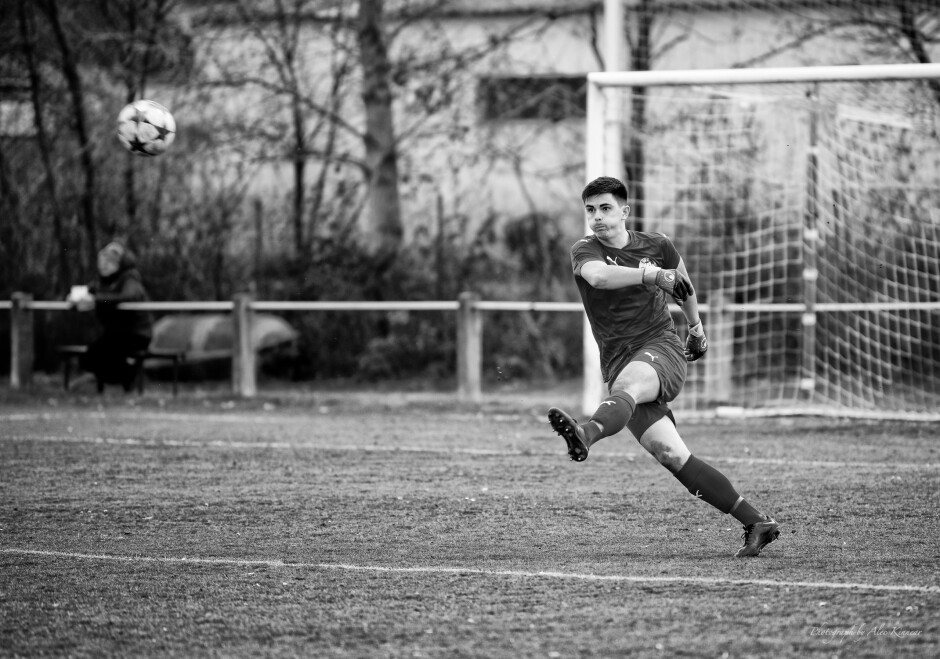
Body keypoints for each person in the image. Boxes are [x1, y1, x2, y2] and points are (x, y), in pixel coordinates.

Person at [548, 176, 780, 558]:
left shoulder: (657, 245)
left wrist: (697, 329)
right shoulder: (585, 250)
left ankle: (585, 433)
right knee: (672, 455)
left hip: (661, 349)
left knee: (631, 385)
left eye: (605, 208)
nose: (597, 217)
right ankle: (757, 522)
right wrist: (650, 274)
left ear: (625, 210)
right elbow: (599, 277)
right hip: (620, 365)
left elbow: (682, 283)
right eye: (590, 210)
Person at [70, 241, 153, 392]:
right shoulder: (100, 281)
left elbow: (127, 297)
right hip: (115, 333)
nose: (104, 265)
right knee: (89, 358)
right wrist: (73, 298)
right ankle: (116, 379)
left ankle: (127, 379)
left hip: (135, 333)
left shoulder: (130, 278)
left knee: (102, 355)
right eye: (101, 261)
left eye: (109, 262)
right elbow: (84, 294)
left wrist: (98, 299)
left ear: (119, 263)